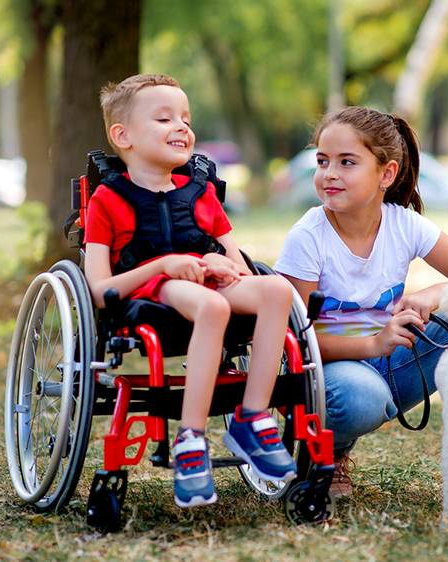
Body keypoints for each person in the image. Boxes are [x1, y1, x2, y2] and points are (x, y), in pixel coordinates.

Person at [273, 107, 448, 500]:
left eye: (346, 162)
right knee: (363, 397)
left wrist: (433, 294)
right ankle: (327, 458)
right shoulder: (308, 237)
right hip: (326, 371)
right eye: (322, 161)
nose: (329, 173)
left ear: (386, 173)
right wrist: (373, 344)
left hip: (391, 363)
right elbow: (294, 340)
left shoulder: (404, 224)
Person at [84, 74, 297, 509]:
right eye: (164, 118)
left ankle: (252, 417)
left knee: (276, 290)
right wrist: (161, 266)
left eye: (185, 117)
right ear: (121, 135)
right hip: (149, 295)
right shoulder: (106, 199)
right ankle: (190, 439)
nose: (182, 126)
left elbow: (239, 266)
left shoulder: (201, 195)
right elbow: (99, 288)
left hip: (207, 284)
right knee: (212, 305)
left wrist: (222, 263)